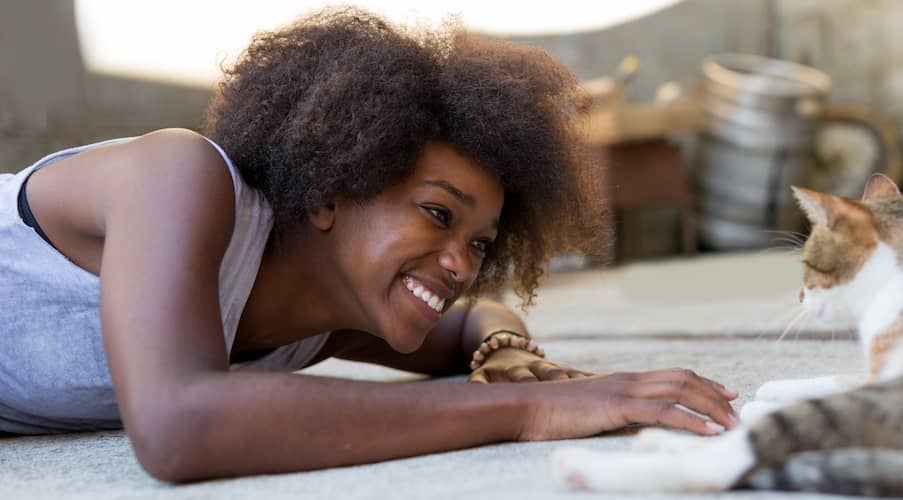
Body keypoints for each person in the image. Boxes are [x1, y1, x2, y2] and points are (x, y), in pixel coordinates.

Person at [0, 7, 738, 482]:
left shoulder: (330, 320)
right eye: (435, 213)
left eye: (481, 242)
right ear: (330, 189)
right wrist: (529, 413)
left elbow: (476, 322)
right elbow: (175, 426)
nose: (460, 264)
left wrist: (507, 357)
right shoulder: (180, 178)